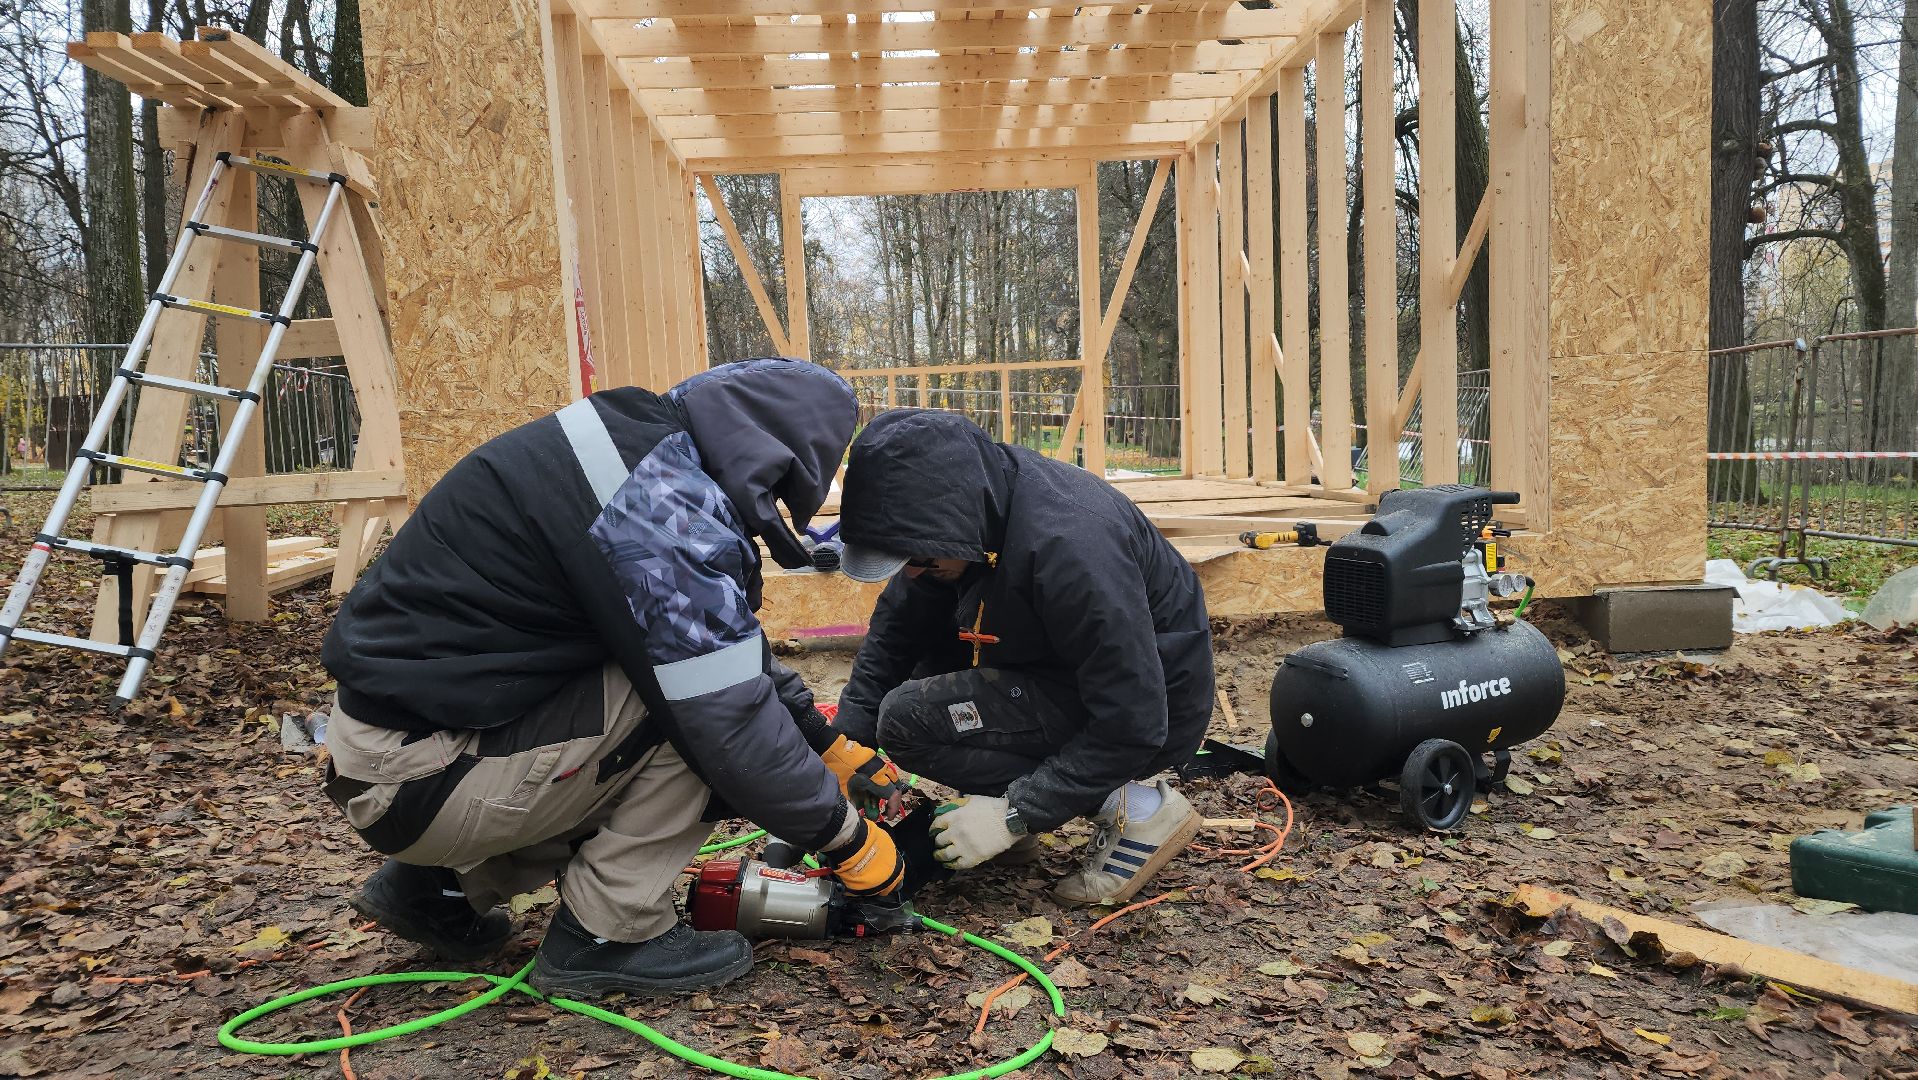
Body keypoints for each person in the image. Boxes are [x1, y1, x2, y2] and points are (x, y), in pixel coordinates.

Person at [319, 358, 906, 997]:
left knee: (684, 680)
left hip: (394, 755)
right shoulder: (658, 506)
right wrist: (847, 840)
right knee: (699, 723)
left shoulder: (626, 447)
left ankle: (439, 888)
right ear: (782, 459)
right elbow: (729, 714)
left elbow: (727, 648)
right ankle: (610, 934)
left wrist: (829, 749)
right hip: (424, 779)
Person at [830, 409, 1214, 906]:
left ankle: (1139, 809)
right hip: (1054, 669)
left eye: (918, 561)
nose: (912, 574)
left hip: (1151, 705)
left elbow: (1134, 721)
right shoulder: (966, 514)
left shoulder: (1070, 547)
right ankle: (1031, 805)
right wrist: (842, 756)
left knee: (911, 717)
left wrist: (1013, 814)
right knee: (909, 711)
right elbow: (896, 636)